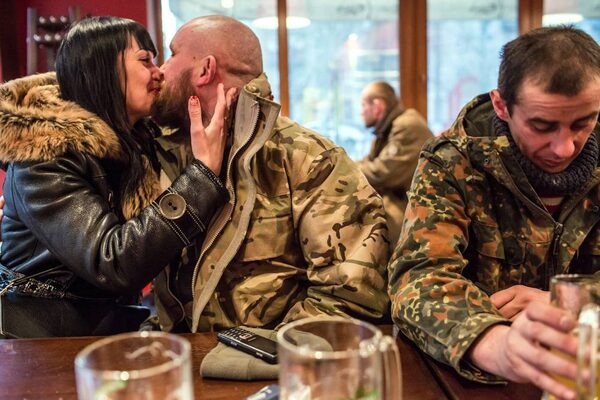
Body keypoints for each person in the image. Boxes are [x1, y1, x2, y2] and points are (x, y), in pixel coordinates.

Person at [389, 25, 600, 400]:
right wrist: (495, 344)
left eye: (583, 123)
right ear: (502, 106)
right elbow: (419, 277)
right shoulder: (452, 162)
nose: (565, 148)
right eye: (542, 126)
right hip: (483, 379)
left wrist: (572, 302)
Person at [150, 15, 391, 333]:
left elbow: (350, 297)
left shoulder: (310, 159)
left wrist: (263, 353)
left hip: (272, 358)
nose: (160, 70)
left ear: (205, 70)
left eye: (171, 54)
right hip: (176, 352)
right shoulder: (160, 151)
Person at [0, 16, 233, 337]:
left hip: (96, 327)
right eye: (145, 60)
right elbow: (112, 263)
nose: (158, 72)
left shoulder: (133, 142)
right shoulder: (45, 155)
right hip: (37, 340)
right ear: (103, 69)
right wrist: (202, 175)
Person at [358, 81, 433, 245]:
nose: (360, 112)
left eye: (363, 105)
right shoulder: (387, 127)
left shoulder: (406, 125)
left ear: (377, 106)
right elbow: (370, 161)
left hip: (417, 209)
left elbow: (381, 174)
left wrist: (346, 169)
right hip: (405, 202)